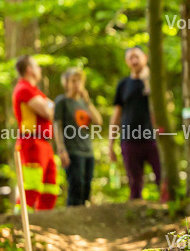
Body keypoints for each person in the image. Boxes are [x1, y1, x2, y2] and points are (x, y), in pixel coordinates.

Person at [108, 47, 166, 203]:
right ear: (127, 62)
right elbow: (116, 115)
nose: (134, 61)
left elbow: (166, 107)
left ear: (145, 57)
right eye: (130, 58)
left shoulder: (155, 82)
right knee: (134, 182)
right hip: (129, 139)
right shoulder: (123, 85)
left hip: (153, 139)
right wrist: (110, 144)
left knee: (163, 177)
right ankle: (135, 213)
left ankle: (170, 210)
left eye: (137, 57)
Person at [12, 55, 58, 210]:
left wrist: (50, 106)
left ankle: (43, 226)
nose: (40, 69)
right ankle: (19, 226)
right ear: (29, 69)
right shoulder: (23, 89)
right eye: (37, 66)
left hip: (44, 144)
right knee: (31, 189)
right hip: (31, 143)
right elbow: (48, 111)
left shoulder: (35, 91)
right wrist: (50, 105)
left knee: (50, 188)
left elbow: (51, 108)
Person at [54, 68, 102, 207]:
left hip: (87, 150)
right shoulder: (62, 101)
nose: (77, 84)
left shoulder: (84, 103)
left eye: (79, 81)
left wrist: (88, 101)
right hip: (72, 151)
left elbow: (98, 121)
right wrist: (61, 149)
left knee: (86, 187)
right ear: (66, 83)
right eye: (73, 81)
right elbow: (57, 126)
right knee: (76, 186)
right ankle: (72, 218)